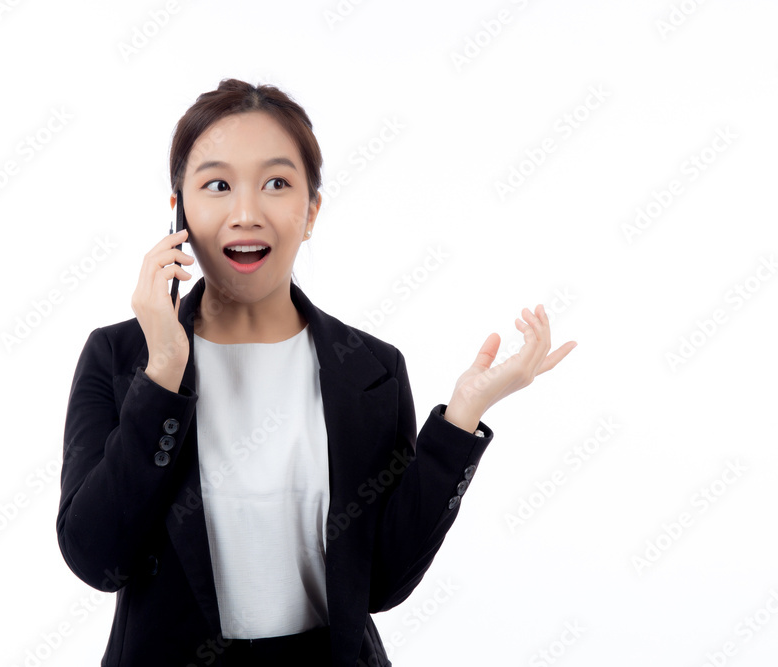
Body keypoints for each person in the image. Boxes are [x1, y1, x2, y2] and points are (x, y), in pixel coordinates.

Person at [56, 78, 577, 667]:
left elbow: (382, 583)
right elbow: (97, 558)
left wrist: (461, 419)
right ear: (178, 210)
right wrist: (163, 374)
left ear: (311, 212)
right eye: (217, 185)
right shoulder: (117, 357)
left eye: (277, 183)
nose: (246, 214)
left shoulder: (371, 368)